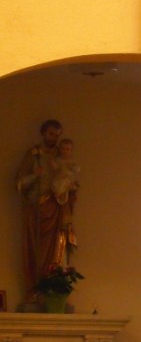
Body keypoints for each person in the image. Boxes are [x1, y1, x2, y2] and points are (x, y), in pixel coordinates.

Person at [15, 119, 78, 300]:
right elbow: (19, 183)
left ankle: (54, 286)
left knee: (58, 247)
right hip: (37, 208)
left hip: (57, 207)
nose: (54, 138)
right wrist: (35, 175)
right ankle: (37, 288)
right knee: (37, 250)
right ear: (43, 133)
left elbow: (70, 180)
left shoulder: (62, 156)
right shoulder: (34, 155)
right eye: (51, 134)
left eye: (57, 135)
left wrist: (71, 189)